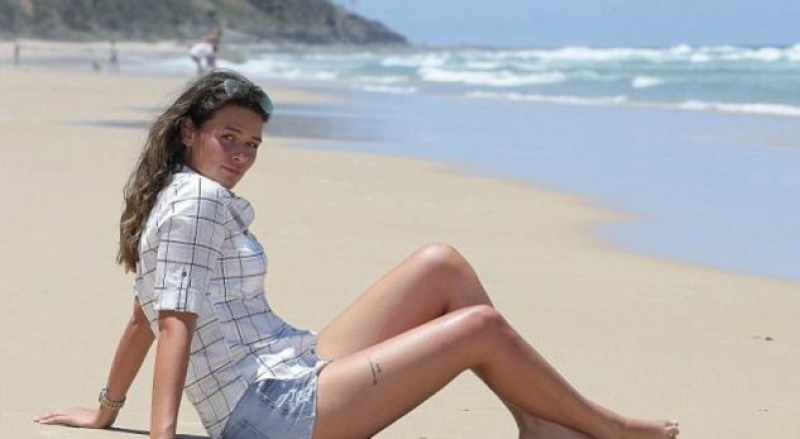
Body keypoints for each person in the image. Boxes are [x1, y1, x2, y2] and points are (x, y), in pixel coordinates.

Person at [33, 70, 680, 439]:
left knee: (441, 263)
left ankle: (539, 426)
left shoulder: (177, 197)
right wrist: (163, 433)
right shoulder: (196, 202)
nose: (241, 155)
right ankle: (609, 429)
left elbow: (141, 318)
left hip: (286, 367)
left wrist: (105, 411)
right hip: (269, 414)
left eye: (253, 144)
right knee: (479, 328)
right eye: (228, 137)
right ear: (188, 132)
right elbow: (172, 321)